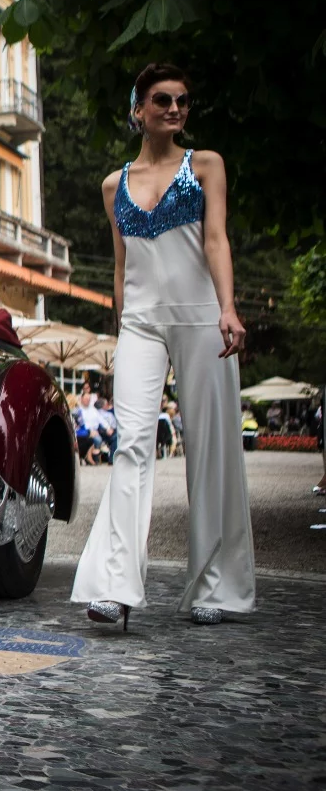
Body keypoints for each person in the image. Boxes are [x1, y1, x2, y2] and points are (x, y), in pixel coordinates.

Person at [72, 62, 253, 629]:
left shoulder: (206, 166)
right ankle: (114, 585)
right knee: (131, 445)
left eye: (182, 100)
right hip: (142, 324)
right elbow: (123, 266)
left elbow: (217, 240)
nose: (174, 109)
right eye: (162, 100)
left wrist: (227, 306)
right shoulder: (113, 185)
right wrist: (123, 326)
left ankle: (217, 589)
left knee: (211, 446)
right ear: (138, 109)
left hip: (202, 316)